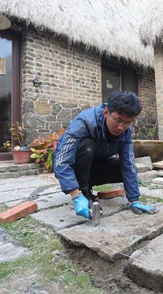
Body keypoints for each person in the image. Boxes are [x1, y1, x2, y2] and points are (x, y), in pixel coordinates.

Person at [54, 90, 157, 219]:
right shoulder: (84, 122)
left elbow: (128, 164)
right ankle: (84, 193)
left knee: (125, 169)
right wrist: (76, 195)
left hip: (96, 164)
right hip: (76, 164)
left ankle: (87, 184)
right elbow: (61, 162)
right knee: (87, 145)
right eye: (118, 120)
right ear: (106, 112)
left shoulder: (126, 131)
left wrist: (134, 199)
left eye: (127, 122)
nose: (121, 127)